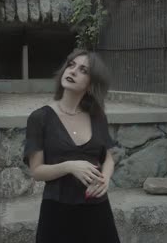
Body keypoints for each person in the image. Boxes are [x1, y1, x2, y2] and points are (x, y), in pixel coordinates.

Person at [23, 48, 121, 243]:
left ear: (91, 83)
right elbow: (37, 171)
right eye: (71, 65)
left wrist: (106, 178)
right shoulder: (40, 118)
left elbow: (108, 156)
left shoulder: (97, 116)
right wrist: (70, 166)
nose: (73, 71)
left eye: (83, 70)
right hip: (57, 211)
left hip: (97, 209)